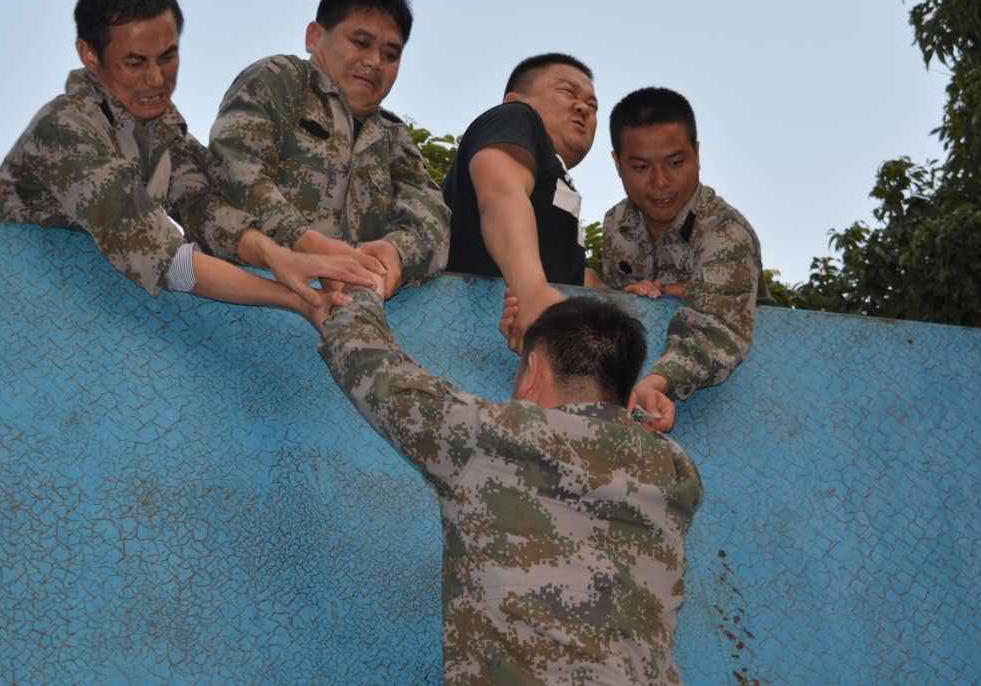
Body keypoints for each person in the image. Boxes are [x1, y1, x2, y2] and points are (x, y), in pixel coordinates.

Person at [310, 284, 702, 685]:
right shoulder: (673, 468)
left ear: (532, 372)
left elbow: (377, 374)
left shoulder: (497, 438)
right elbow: (605, 425)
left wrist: (359, 295)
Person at [0, 0, 381, 312]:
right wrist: (297, 299)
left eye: (168, 57)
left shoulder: (165, 134)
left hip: (83, 309)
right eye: (135, 62)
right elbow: (163, 257)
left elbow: (206, 209)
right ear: (90, 55)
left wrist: (277, 254)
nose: (157, 80)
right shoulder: (65, 128)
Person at [209, 0, 449, 300]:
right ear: (315, 36)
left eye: (391, 55)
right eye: (360, 42)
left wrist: (396, 253)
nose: (374, 62)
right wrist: (303, 241)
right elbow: (234, 168)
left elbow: (433, 219)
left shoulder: (395, 137)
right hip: (243, 297)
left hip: (350, 308)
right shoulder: (283, 81)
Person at [601, 86, 763, 422]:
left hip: (730, 406)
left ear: (697, 154)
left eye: (676, 163)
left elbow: (716, 329)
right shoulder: (617, 224)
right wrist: (630, 299)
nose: (660, 182)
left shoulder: (726, 231)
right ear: (617, 163)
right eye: (640, 167)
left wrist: (655, 385)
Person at [442, 53, 599, 347]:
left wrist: (630, 291)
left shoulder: (556, 183)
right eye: (568, 92)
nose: (583, 108)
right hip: (464, 334)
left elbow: (572, 275)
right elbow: (501, 194)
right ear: (514, 100)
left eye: (593, 106)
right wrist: (532, 292)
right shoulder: (516, 117)